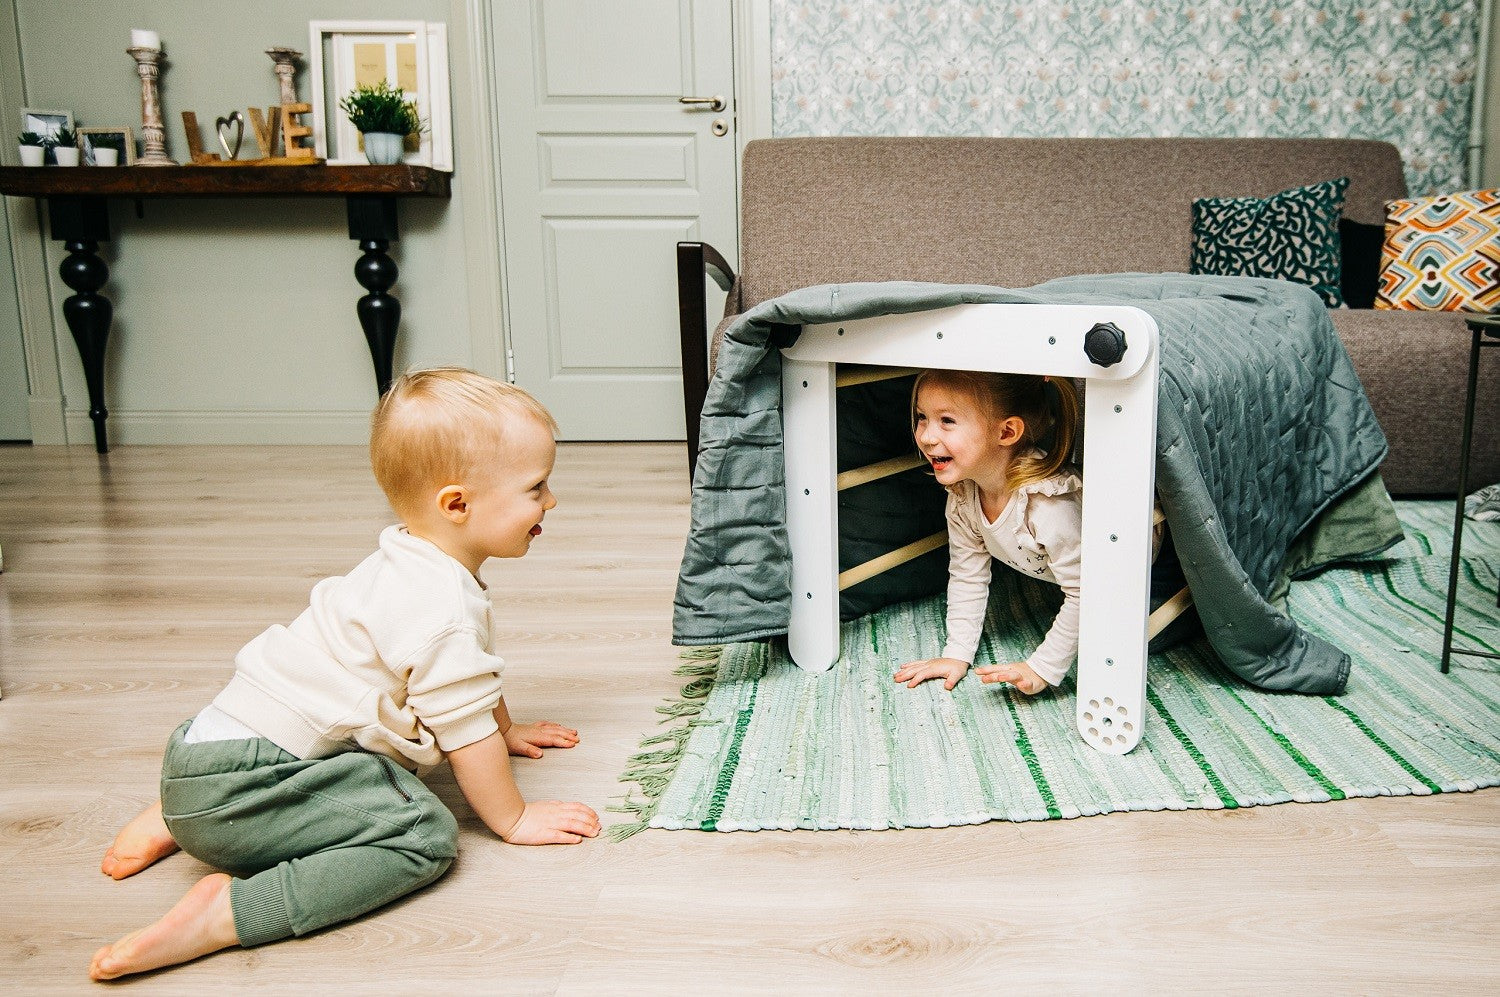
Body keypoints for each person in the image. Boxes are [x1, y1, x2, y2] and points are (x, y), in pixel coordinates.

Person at [89, 368, 600, 982]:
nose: (551, 501)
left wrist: (505, 728)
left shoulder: (404, 557)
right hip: (244, 785)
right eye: (536, 487)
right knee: (421, 834)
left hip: (203, 754)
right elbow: (463, 730)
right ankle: (227, 912)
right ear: (457, 504)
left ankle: (183, 814)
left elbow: (465, 682)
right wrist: (513, 819)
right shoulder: (441, 609)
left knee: (368, 760)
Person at [894, 368, 1085, 696]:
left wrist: (1042, 668)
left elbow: (1088, 592)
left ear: (1007, 431)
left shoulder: (1046, 506)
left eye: (947, 421)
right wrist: (956, 653)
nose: (925, 436)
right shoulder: (963, 496)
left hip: (1136, 555)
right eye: (922, 417)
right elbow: (968, 574)